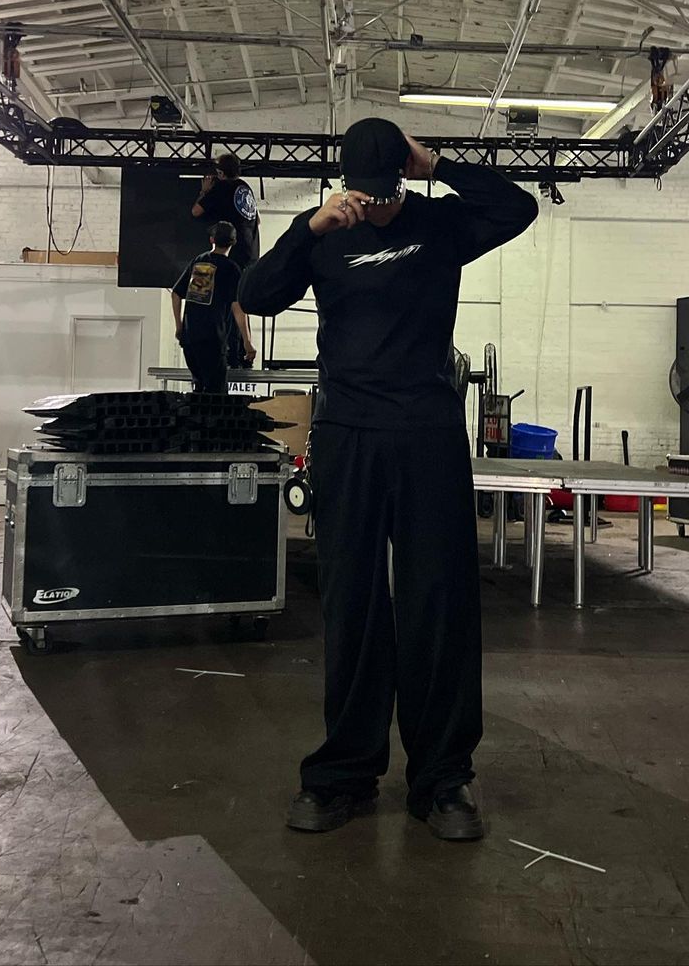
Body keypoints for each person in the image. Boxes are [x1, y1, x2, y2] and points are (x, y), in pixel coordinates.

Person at [237, 117, 537, 841]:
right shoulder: (325, 234)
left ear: (405, 173)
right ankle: (344, 772)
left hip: (428, 433)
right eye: (364, 194)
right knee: (353, 603)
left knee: (440, 602)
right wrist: (308, 227)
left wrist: (441, 166)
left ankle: (443, 778)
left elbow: (518, 207)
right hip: (348, 435)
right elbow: (256, 293)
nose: (375, 206)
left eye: (387, 189)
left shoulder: (440, 224)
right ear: (347, 184)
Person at [171, 221, 256, 394]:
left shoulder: (198, 262)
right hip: (213, 339)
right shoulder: (231, 269)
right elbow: (237, 307)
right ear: (233, 242)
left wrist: (180, 327)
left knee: (199, 389)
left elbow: (176, 294)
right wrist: (247, 342)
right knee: (216, 396)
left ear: (212, 239)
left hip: (190, 339)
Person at [191, 152, 260, 269]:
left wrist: (204, 192)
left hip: (233, 254)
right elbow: (257, 220)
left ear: (221, 173)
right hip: (252, 253)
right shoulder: (246, 187)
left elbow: (196, 211)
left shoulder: (222, 187)